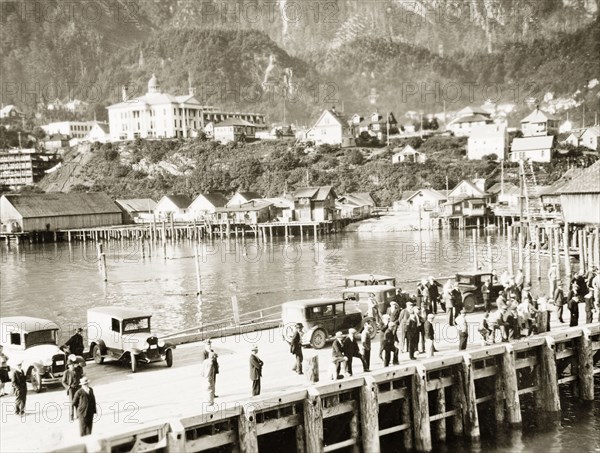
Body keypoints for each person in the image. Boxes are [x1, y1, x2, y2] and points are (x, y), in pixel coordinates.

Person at [62, 356, 84, 421]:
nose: (72, 366)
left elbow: (81, 376)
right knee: (72, 403)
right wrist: (67, 387)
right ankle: (71, 416)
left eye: (72, 365)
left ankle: (78, 415)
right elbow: (63, 381)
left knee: (78, 401)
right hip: (71, 389)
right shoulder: (66, 372)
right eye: (70, 365)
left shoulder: (78, 370)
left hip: (78, 388)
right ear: (68, 366)